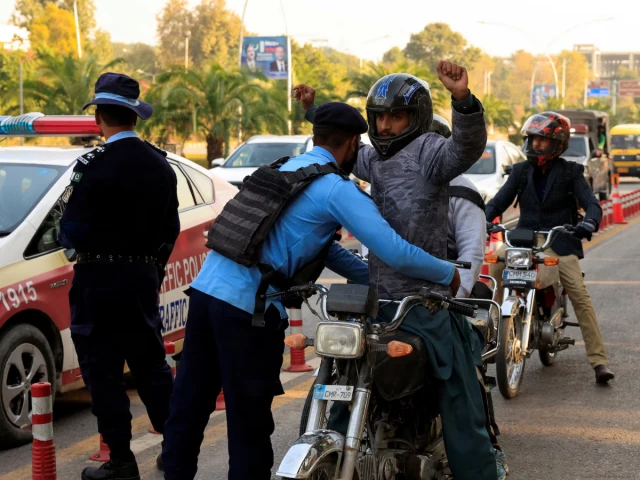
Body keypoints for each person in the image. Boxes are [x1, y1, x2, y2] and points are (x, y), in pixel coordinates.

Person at [160, 102, 462, 480]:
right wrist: (445, 272)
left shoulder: (286, 169)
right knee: (248, 417)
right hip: (247, 311)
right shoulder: (335, 188)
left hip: (205, 295)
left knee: (189, 402)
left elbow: (322, 246)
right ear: (353, 143)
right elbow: (395, 250)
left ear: (315, 138)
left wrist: (373, 280)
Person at [296, 61, 501, 480]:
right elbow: (340, 147)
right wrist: (313, 112)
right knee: (343, 378)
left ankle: (481, 470)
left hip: (427, 303)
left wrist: (461, 99)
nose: (386, 125)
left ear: (417, 117)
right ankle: (333, 457)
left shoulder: (429, 152)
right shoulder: (372, 159)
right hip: (377, 301)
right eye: (380, 117)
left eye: (396, 116)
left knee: (459, 390)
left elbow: (465, 147)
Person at [59, 73, 179, 480]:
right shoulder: (161, 166)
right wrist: (149, 269)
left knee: (102, 370)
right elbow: (170, 230)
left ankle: (122, 462)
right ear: (134, 117)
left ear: (99, 119)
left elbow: (70, 231)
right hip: (141, 279)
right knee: (150, 365)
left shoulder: (92, 165)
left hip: (97, 280)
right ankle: (175, 449)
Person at [485, 111, 615, 384]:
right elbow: (497, 203)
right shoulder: (520, 172)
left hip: (559, 241)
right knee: (495, 264)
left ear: (557, 143)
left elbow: (591, 203)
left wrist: (589, 222)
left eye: (541, 140)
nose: (535, 145)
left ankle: (598, 361)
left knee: (580, 296)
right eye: (532, 139)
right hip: (524, 239)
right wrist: (483, 220)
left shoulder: (571, 172)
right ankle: (494, 329)